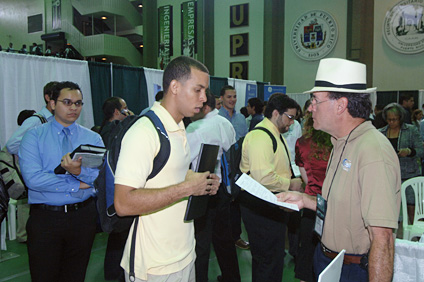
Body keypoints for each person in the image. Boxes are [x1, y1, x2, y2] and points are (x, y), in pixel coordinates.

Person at [278, 58, 401, 282]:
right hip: (328, 260)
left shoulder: (373, 152)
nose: (310, 108)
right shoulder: (340, 143)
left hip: (353, 269)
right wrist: (305, 200)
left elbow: (383, 238)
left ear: (340, 105)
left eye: (315, 100)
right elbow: (344, 208)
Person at [113, 56, 220, 282]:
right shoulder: (144, 132)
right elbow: (123, 203)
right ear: (174, 87)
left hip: (184, 253)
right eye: (198, 90)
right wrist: (187, 188)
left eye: (206, 91)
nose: (204, 98)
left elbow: (172, 178)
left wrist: (201, 181)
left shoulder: (180, 127)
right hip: (154, 267)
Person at [19, 81, 104, 282]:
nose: (73, 108)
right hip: (46, 219)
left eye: (78, 103)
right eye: (67, 102)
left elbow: (99, 176)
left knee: (76, 275)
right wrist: (77, 183)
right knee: (43, 275)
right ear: (52, 104)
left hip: (82, 217)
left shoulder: (92, 138)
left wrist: (79, 171)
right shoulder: (34, 136)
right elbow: (33, 179)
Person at [239, 93, 303, 282]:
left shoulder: (274, 134)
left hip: (270, 205)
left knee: (272, 259)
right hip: (260, 207)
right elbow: (263, 177)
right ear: (276, 113)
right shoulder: (260, 136)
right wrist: (290, 184)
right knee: (268, 260)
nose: (292, 123)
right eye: (290, 117)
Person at [186, 89, 240, 282]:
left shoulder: (194, 129)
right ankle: (231, 277)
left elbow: (184, 162)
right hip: (223, 189)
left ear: (205, 106)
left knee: (201, 243)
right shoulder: (225, 123)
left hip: (202, 190)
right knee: (224, 239)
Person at [5, 81, 57, 243]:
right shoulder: (36, 121)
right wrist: (31, 155)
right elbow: (11, 144)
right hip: (38, 176)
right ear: (48, 98)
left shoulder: (57, 121)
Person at [294, 111, 332, 282]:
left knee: (307, 249)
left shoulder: (302, 143)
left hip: (310, 203)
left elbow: (306, 179)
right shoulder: (336, 144)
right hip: (332, 204)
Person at [99, 96, 133, 281]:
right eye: (125, 108)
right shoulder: (112, 132)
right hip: (113, 191)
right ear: (117, 112)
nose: (128, 111)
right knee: (117, 238)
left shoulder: (108, 129)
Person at [379, 103, 423, 224]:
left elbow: (421, 150)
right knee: (391, 208)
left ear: (401, 118)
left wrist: (409, 151)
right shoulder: (380, 133)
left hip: (409, 175)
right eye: (389, 119)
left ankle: (416, 235)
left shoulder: (411, 130)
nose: (391, 122)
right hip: (389, 176)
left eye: (395, 119)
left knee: (412, 206)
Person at [218, 85, 249, 250]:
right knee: (221, 205)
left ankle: (236, 237)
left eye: (235, 96)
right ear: (222, 98)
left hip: (237, 168)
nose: (232, 100)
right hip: (221, 168)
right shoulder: (216, 118)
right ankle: (222, 240)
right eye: (229, 97)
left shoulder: (241, 119)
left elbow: (244, 143)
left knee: (236, 203)